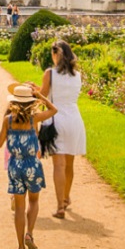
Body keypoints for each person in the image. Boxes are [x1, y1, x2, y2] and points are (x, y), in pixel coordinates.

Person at [0, 82, 56, 249]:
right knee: (33, 201)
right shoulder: (34, 119)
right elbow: (53, 110)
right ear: (30, 102)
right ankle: (29, 233)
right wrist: (40, 97)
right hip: (32, 164)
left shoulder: (8, 121)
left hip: (15, 166)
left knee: (18, 208)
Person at [40, 38, 87, 219]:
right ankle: (66, 198)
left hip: (56, 119)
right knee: (69, 165)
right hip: (74, 120)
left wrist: (31, 89)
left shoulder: (50, 73)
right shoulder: (77, 75)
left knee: (58, 165)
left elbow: (44, 96)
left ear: (55, 54)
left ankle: (60, 205)